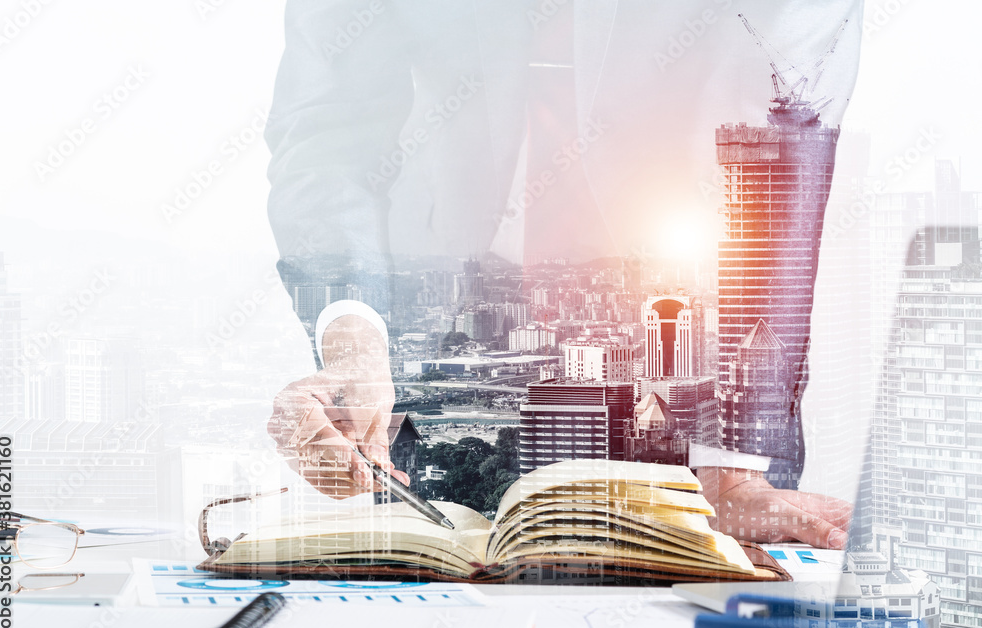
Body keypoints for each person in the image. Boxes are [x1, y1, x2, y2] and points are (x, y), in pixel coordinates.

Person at [264, 0, 860, 549]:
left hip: (687, 348)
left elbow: (776, 142)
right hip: (437, 328)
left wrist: (732, 463)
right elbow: (329, 130)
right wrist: (354, 348)